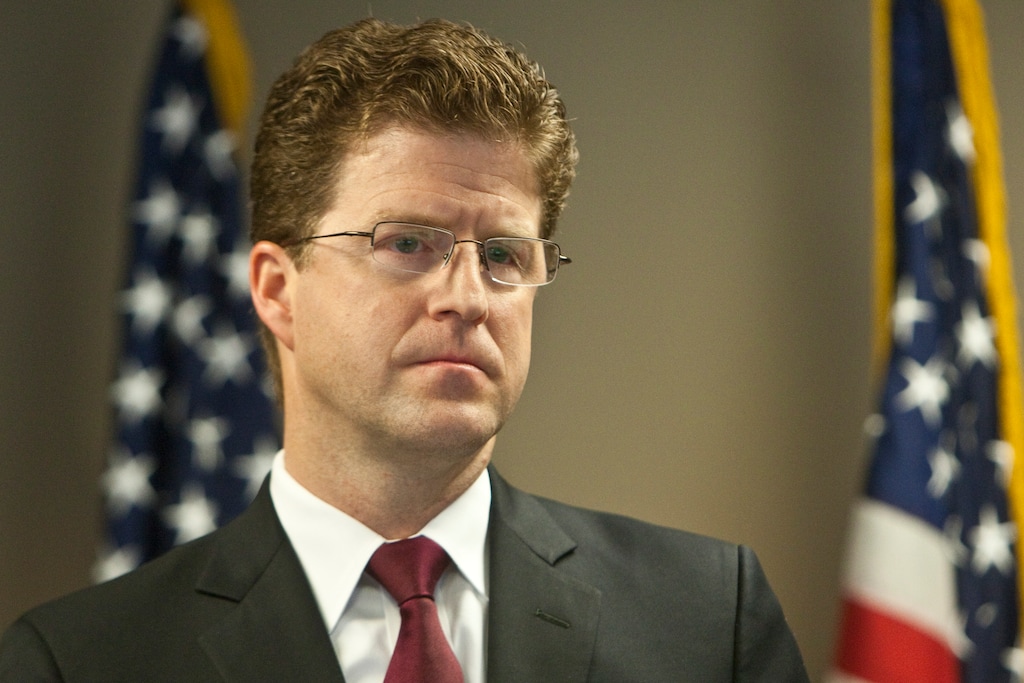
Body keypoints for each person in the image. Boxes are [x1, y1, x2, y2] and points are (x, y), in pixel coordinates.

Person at [0, 17, 809, 682]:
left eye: (503, 254)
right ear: (278, 290)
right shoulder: (80, 662)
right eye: (409, 243)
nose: (468, 297)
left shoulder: (710, 622)